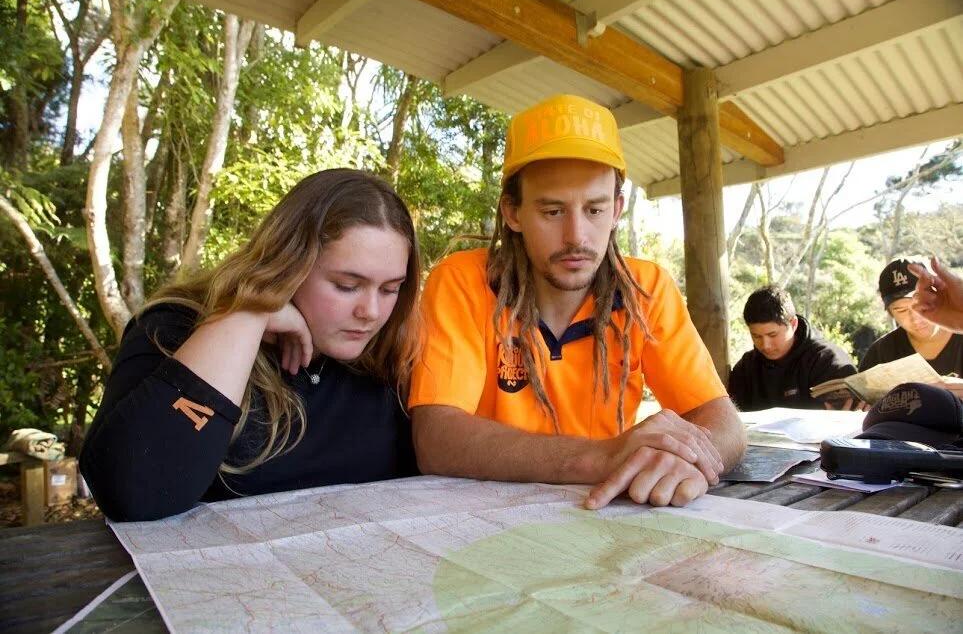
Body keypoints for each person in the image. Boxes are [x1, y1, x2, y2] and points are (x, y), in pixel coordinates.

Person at [408, 94, 745, 511]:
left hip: (606, 516)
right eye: (552, 211)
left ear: (617, 208)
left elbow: (722, 421)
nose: (577, 237)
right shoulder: (463, 281)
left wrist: (690, 462)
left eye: (595, 209)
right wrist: (605, 456)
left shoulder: (646, 289)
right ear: (513, 212)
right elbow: (436, 438)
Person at [80, 169, 422, 521]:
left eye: (390, 289)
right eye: (347, 286)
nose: (371, 312)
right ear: (288, 263)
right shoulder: (176, 328)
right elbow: (132, 492)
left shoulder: (388, 358)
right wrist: (248, 315)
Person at [728, 285, 858, 411]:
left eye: (772, 335)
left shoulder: (827, 362)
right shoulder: (746, 368)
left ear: (794, 324)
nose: (765, 345)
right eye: (756, 336)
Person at [861, 258, 963, 376]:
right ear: (890, 313)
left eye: (922, 306)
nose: (916, 318)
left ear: (939, 296)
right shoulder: (881, 353)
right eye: (902, 310)